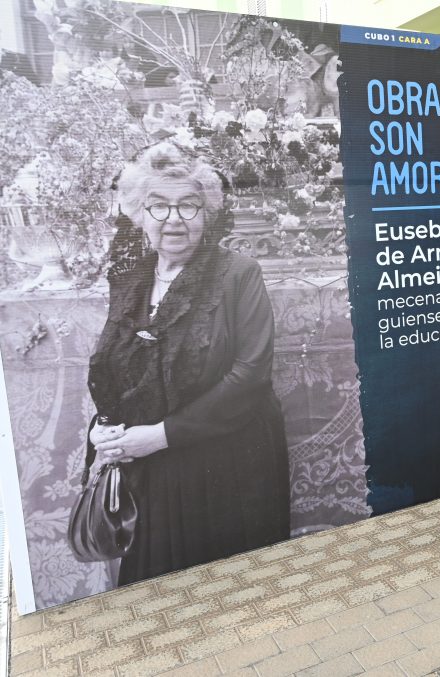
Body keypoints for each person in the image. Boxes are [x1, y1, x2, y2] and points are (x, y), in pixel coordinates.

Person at [87, 142, 290, 585]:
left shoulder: (238, 273)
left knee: (226, 593)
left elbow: (251, 375)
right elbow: (112, 367)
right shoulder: (130, 279)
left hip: (225, 463)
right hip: (152, 471)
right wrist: (104, 426)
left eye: (188, 206)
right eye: (159, 207)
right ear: (140, 214)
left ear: (207, 214)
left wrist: (161, 436)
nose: (174, 219)